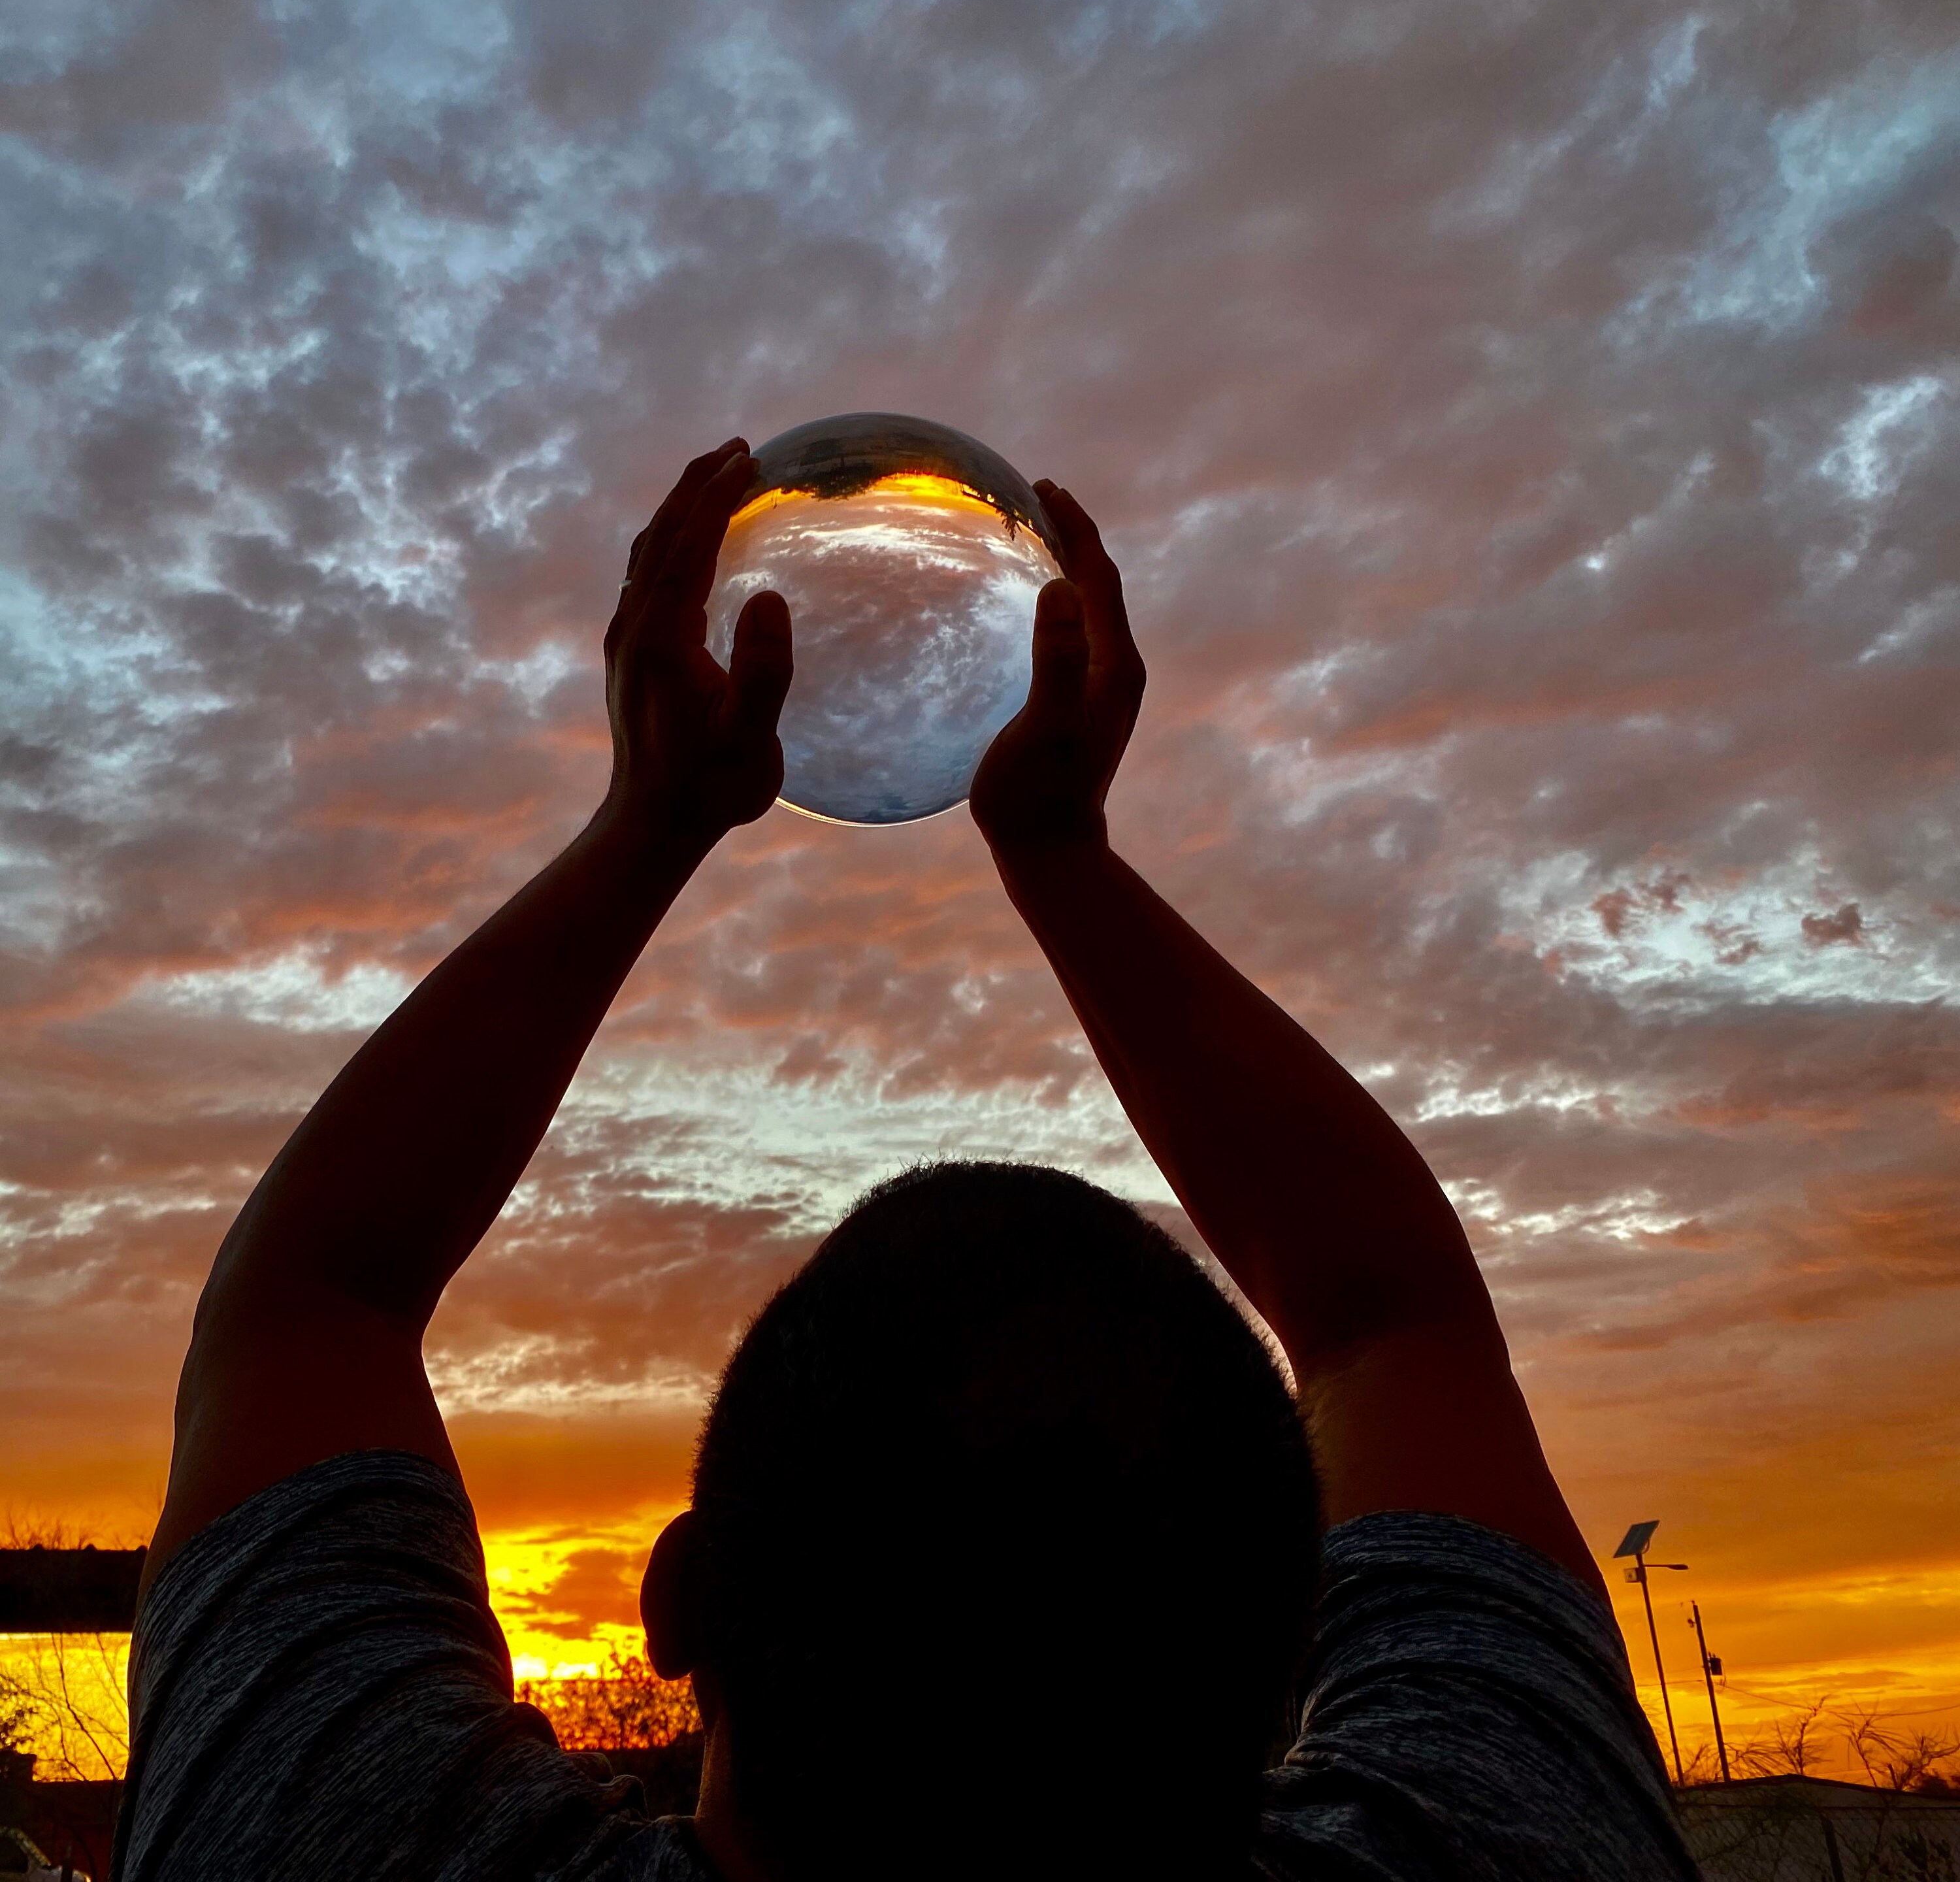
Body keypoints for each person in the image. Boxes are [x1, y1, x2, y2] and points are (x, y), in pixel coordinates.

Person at [115, 439, 1699, 1881]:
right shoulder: (1507, 1844)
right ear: (1292, 1635)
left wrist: (648, 821)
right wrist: (1064, 855)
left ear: (676, 1602)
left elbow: (309, 1300)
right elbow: (1393, 1318)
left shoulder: (354, 1849)